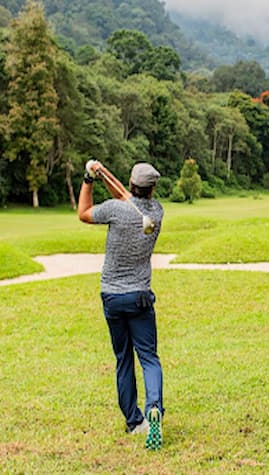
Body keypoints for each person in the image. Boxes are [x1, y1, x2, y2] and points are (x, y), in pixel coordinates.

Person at [77, 160, 165, 450]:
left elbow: (84, 214)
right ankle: (154, 407)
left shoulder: (116, 209)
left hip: (113, 297)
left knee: (123, 358)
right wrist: (104, 173)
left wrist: (89, 178)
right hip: (140, 296)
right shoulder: (156, 212)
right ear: (152, 188)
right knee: (149, 358)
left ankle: (133, 420)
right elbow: (127, 198)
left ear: (131, 183)